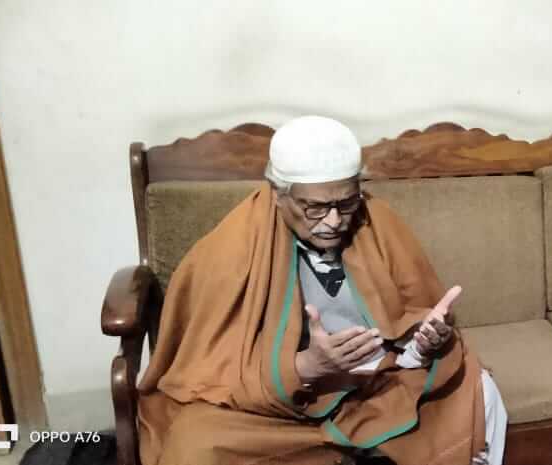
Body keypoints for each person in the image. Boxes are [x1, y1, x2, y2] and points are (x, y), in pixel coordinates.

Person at [137, 116, 507, 465]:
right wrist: (306, 366)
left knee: (479, 392)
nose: (333, 221)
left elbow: (408, 323)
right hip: (283, 404)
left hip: (377, 382)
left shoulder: (376, 221)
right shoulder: (229, 249)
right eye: (315, 207)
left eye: (345, 203)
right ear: (278, 194)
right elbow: (213, 368)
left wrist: (423, 343)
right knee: (195, 445)